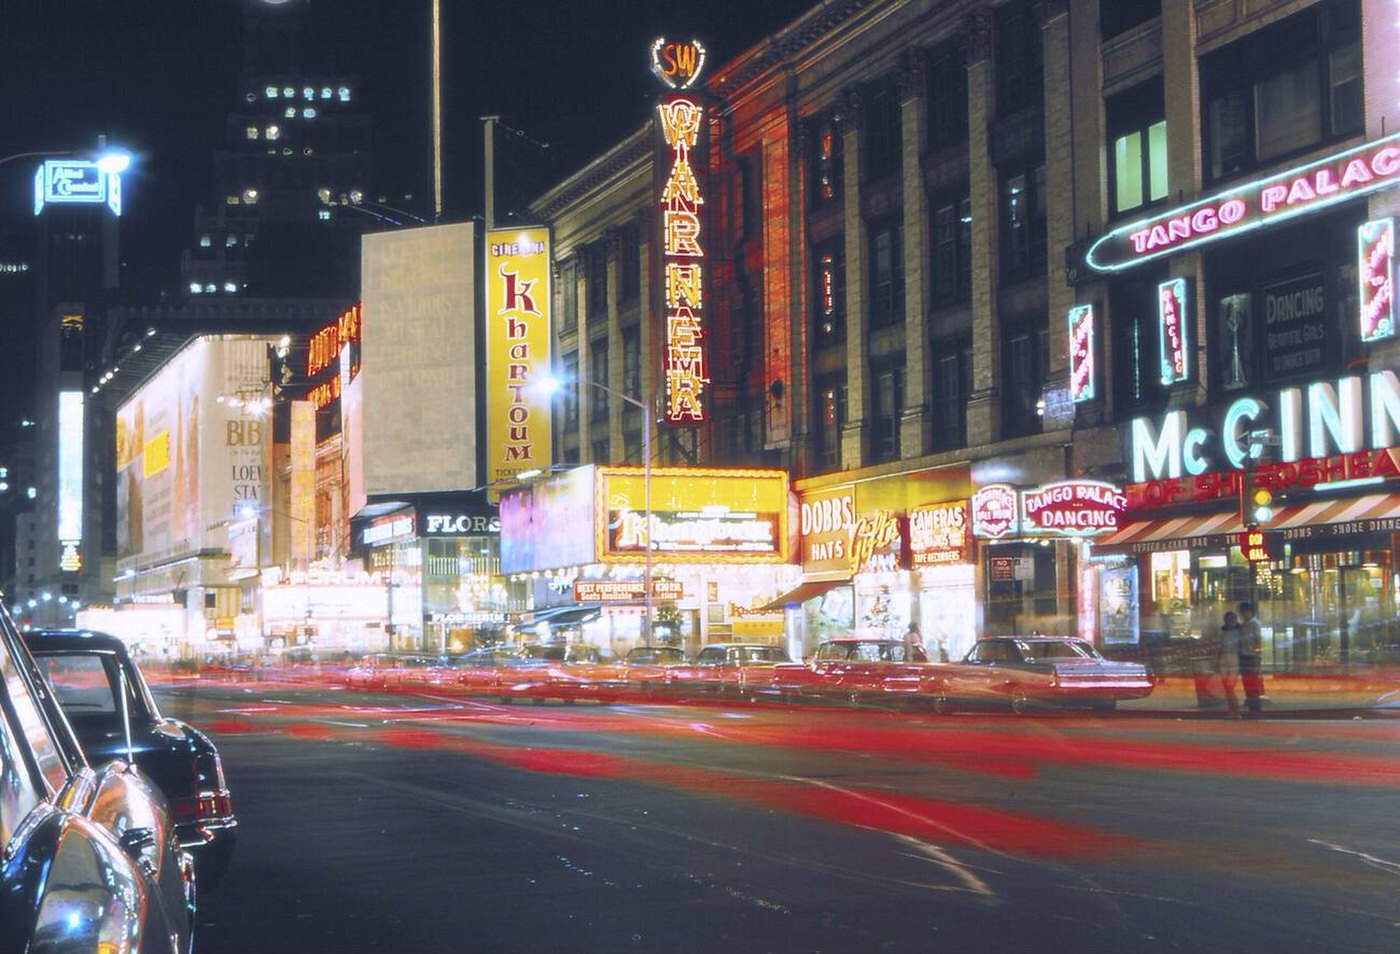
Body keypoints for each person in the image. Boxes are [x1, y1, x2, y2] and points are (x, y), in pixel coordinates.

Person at [1238, 601, 1265, 715]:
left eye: (1244, 612)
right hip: (1245, 655)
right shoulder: (1244, 624)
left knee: (1252, 682)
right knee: (1248, 681)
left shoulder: (1254, 624)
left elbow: (1257, 640)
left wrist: (1256, 654)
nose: (1243, 614)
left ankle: (1254, 705)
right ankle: (1251, 702)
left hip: (1251, 656)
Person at [1218, 611, 1243, 717]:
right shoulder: (1222, 631)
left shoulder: (1240, 631)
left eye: (1232, 620)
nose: (1230, 622)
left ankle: (1235, 710)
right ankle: (1232, 709)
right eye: (1228, 620)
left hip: (1234, 657)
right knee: (1226, 687)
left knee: (1229, 686)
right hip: (1224, 657)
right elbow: (1219, 646)